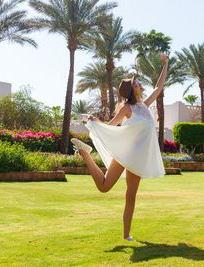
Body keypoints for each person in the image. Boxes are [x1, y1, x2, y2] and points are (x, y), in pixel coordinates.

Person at [70, 54, 168, 242]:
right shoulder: (127, 108)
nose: (140, 83)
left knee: (131, 196)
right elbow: (111, 125)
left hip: (137, 158)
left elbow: (159, 86)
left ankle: (126, 235)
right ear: (132, 89)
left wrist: (165, 64)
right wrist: (95, 121)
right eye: (137, 83)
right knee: (104, 187)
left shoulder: (145, 106)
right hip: (125, 153)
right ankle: (85, 154)